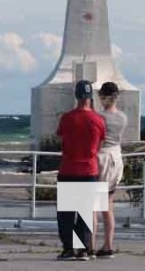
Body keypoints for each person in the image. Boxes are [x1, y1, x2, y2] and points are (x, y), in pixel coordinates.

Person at [55, 79, 106, 261]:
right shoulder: (98, 120)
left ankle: (69, 248)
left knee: (66, 213)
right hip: (89, 169)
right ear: (90, 96)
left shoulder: (67, 118)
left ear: (76, 96)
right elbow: (100, 142)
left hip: (69, 168)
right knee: (85, 212)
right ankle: (83, 248)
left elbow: (61, 138)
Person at [94, 81, 127, 259]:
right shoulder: (123, 117)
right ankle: (108, 246)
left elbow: (97, 141)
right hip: (117, 158)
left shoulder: (99, 117)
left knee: (91, 207)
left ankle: (86, 245)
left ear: (104, 97)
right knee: (108, 206)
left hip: (102, 158)